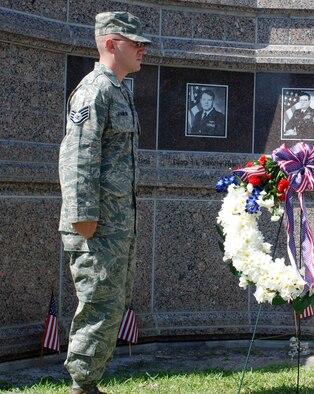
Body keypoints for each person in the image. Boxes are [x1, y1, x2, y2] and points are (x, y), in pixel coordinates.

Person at [58, 11, 150, 394]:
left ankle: (88, 383)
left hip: (116, 227)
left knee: (111, 307)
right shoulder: (94, 90)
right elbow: (78, 155)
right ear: (111, 44)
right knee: (98, 306)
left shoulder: (119, 89)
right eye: (135, 43)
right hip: (96, 227)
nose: (143, 50)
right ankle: (81, 386)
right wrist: (82, 217)